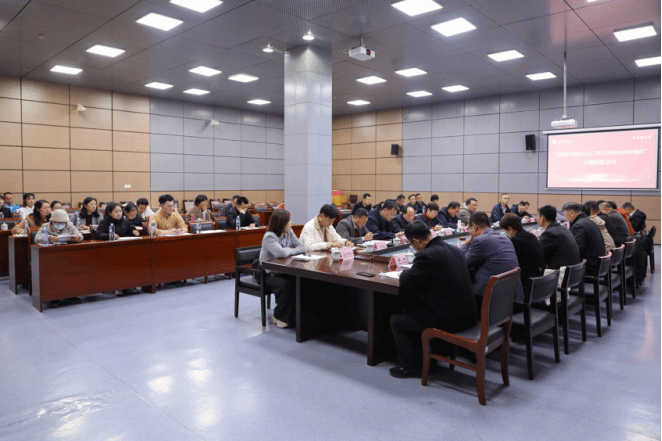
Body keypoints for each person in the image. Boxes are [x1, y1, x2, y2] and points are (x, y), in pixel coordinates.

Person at [389, 220, 476, 379]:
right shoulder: (454, 250)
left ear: (416, 241)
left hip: (451, 321)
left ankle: (409, 366)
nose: (412, 247)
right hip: (469, 315)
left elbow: (407, 280)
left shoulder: (427, 255)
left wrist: (403, 273)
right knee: (416, 309)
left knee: (397, 320)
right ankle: (429, 356)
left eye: (411, 244)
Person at [460, 212, 524, 302]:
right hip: (512, 297)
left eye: (469, 228)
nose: (469, 232)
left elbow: (463, 263)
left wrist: (464, 244)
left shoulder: (480, 240)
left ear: (474, 227)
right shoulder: (505, 238)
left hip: (491, 300)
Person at [259, 209, 307, 328]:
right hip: (267, 273)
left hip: (284, 270)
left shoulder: (289, 232)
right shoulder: (269, 236)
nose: (291, 223)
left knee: (302, 281)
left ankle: (297, 314)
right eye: (288, 221)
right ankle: (279, 316)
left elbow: (303, 247)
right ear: (280, 223)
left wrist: (288, 251)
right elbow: (280, 253)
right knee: (286, 285)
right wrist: (291, 250)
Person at [500, 214, 545, 294]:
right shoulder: (532, 236)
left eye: (505, 231)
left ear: (510, 229)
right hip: (541, 280)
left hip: (528, 283)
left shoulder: (515, 241)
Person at [563, 202, 605, 276]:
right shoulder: (587, 221)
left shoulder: (579, 225)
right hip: (597, 263)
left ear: (572, 213)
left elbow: (576, 250)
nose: (565, 218)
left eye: (565, 215)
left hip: (589, 266)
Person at [537, 205, 581, 270]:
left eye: (537, 216)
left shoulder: (550, 233)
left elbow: (537, 252)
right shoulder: (563, 228)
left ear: (542, 218)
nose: (537, 219)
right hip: (573, 271)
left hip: (561, 273)